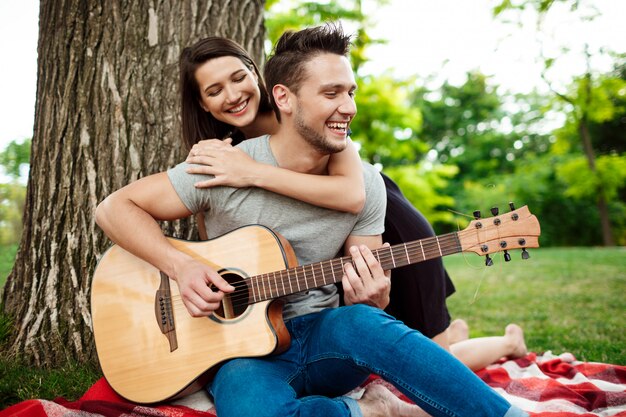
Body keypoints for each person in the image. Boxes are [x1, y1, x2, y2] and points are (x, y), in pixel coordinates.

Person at [96, 23, 527, 417]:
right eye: (331, 93)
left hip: (326, 333)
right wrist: (183, 266)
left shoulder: (359, 181)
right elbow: (113, 208)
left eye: (350, 92)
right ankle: (370, 411)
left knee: (369, 325)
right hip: (242, 354)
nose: (349, 108)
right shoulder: (221, 164)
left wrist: (374, 298)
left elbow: (366, 278)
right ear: (283, 97)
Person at [178, 34, 527, 370]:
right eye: (214, 90)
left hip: (389, 225)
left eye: (239, 77)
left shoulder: (312, 117)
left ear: (257, 76)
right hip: (337, 246)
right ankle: (459, 335)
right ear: (202, 103)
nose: (233, 94)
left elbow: (352, 196)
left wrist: (251, 173)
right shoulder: (225, 152)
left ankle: (509, 343)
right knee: (393, 354)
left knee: (433, 361)